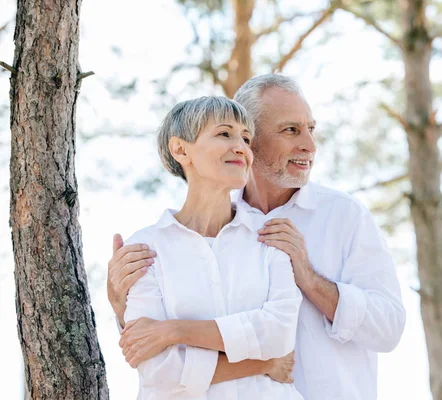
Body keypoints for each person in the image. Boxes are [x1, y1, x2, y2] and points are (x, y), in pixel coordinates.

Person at [110, 75, 406, 400]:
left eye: (311, 129)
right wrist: (122, 307)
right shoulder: (210, 233)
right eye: (291, 130)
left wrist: (309, 279)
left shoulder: (344, 216)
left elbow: (388, 328)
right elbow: (154, 358)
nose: (310, 145)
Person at [119, 96, 304, 399]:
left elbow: (280, 334)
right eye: (224, 134)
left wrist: (174, 330)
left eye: (246, 138)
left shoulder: (271, 234)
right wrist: (262, 364)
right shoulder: (145, 247)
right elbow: (158, 372)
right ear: (180, 149)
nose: (242, 148)